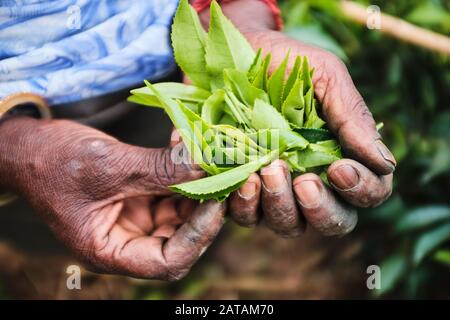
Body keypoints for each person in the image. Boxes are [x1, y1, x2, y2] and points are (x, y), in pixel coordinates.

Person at [0, 0, 394, 281]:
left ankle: (188, 277)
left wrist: (238, 26)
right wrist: (11, 150)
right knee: (44, 231)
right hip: (17, 121)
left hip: (182, 82)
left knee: (193, 214)